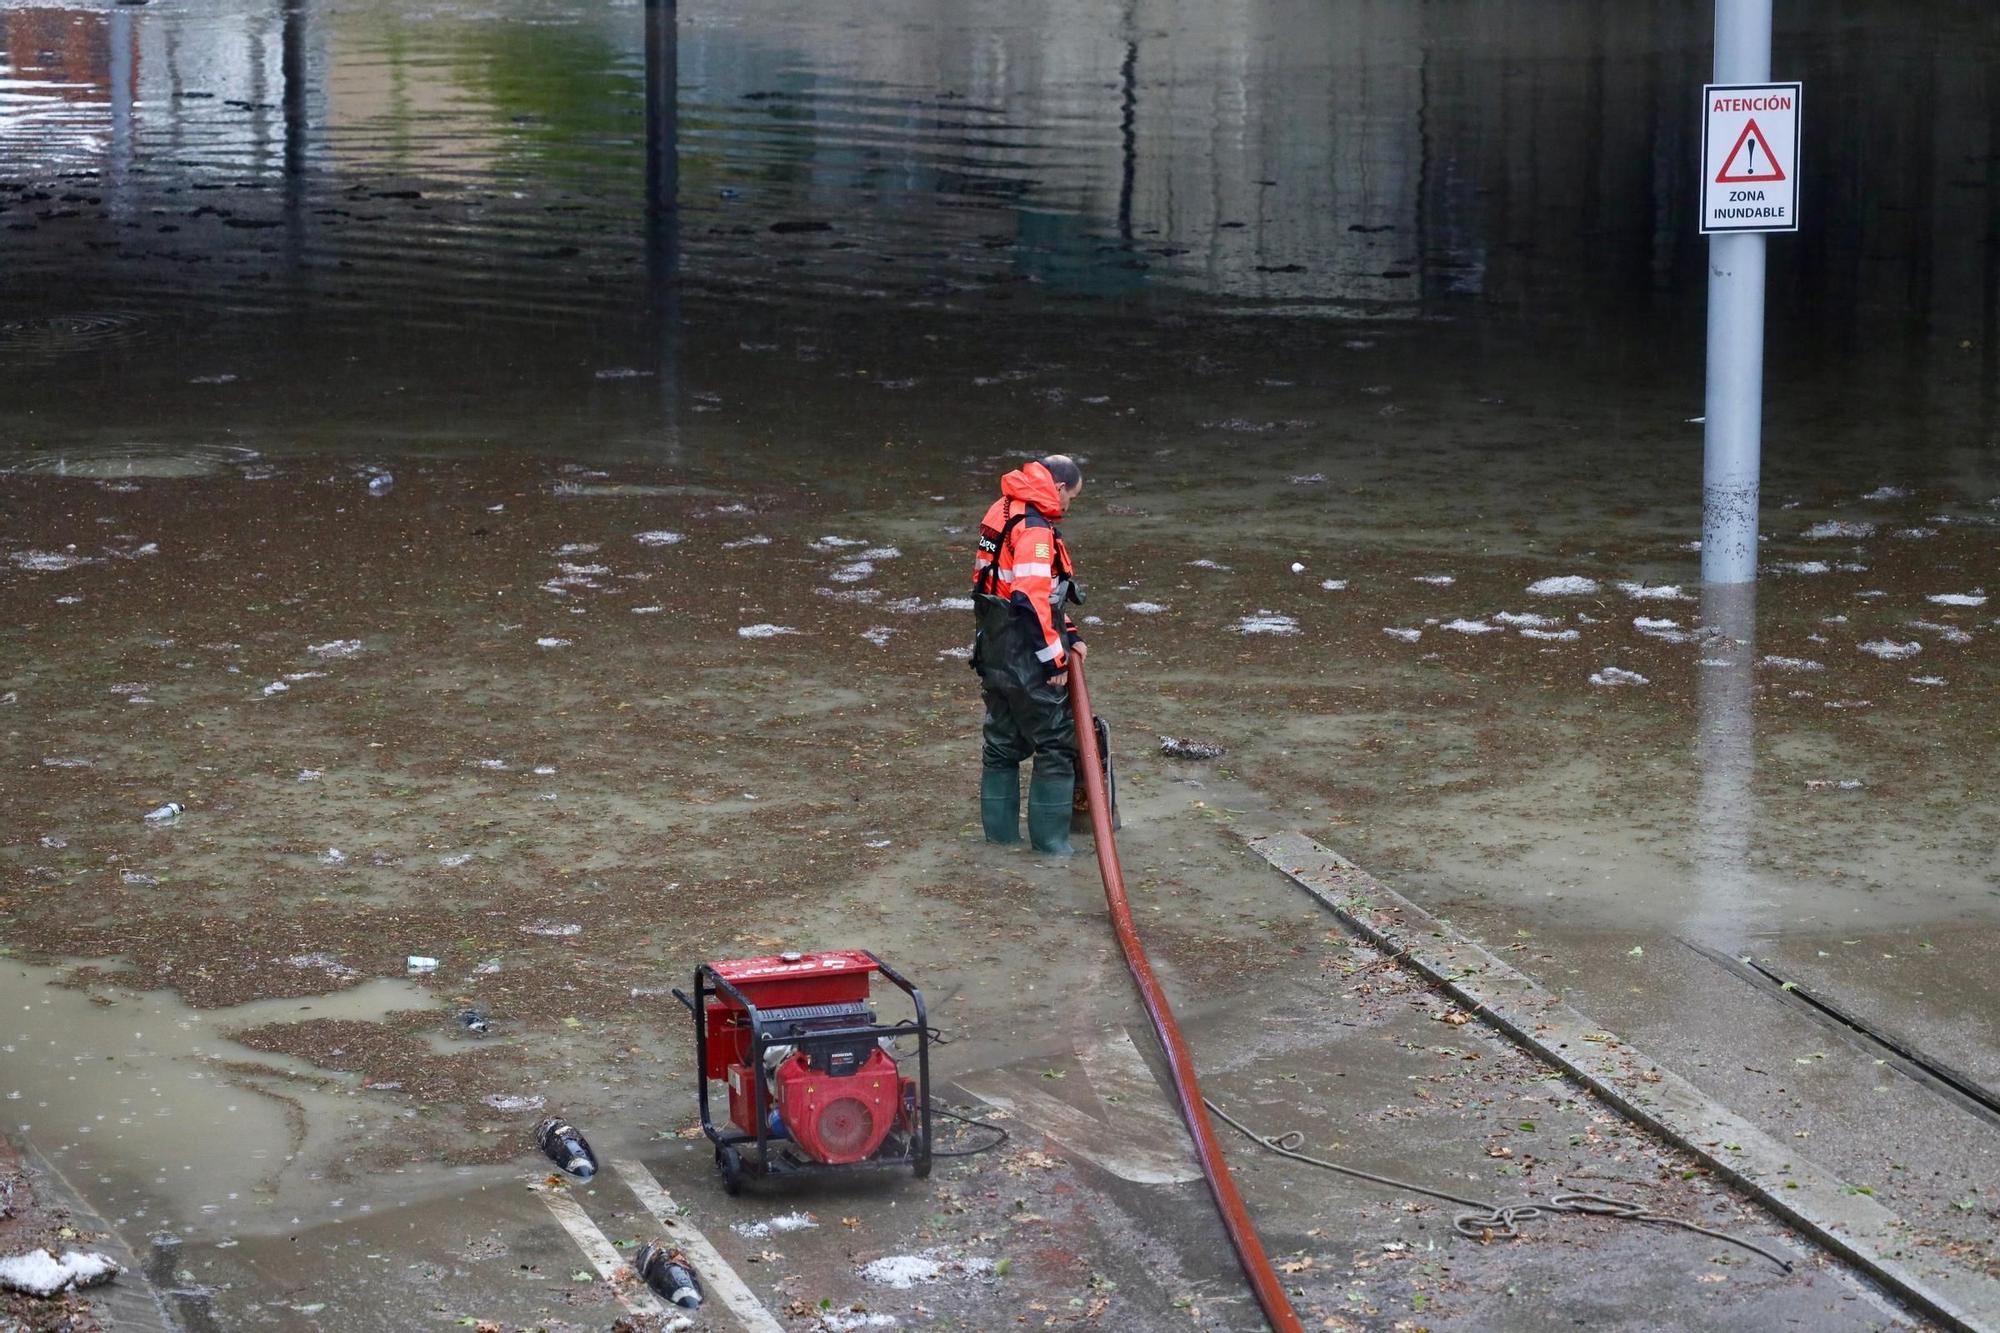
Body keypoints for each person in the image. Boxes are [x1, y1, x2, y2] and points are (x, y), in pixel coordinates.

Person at [969, 454, 1088, 855]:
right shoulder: (1036, 529)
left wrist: (1070, 632)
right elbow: (1031, 598)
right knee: (1055, 744)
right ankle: (1052, 852)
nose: (1068, 506)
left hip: (993, 646)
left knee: (1001, 744)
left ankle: (999, 846)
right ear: (1059, 488)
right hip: (1026, 653)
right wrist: (1055, 659)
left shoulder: (1002, 509)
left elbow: (1001, 585)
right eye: (1071, 497)